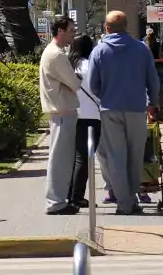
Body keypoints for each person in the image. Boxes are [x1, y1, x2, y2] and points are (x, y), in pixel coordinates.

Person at [90, 10, 160, 216]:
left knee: (115, 157)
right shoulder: (141, 49)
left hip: (110, 109)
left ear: (107, 28)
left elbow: (93, 84)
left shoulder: (99, 51)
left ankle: (124, 203)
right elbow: (153, 79)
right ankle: (133, 199)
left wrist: (105, 95)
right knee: (135, 156)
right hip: (137, 109)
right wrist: (153, 102)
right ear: (127, 26)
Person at [39, 15, 81, 215]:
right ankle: (55, 202)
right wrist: (77, 78)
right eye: (72, 30)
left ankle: (58, 200)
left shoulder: (53, 53)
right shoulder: (56, 55)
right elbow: (74, 83)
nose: (74, 34)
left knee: (62, 159)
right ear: (61, 31)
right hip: (62, 112)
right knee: (60, 160)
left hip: (62, 111)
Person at [68, 34, 105, 208]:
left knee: (75, 157)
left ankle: (70, 194)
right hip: (92, 115)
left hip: (72, 115)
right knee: (84, 158)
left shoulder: (70, 66)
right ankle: (77, 196)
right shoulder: (92, 65)